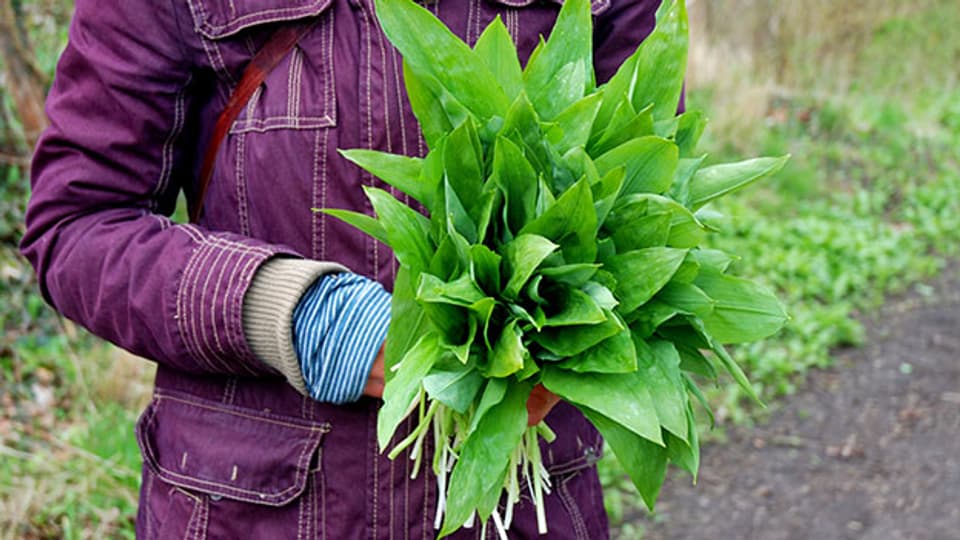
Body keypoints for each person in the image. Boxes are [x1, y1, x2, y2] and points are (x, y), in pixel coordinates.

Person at [21, 0, 664, 537]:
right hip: (249, 507)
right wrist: (304, 316)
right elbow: (77, 226)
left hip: (516, 507)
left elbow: (650, 208)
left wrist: (564, 339)